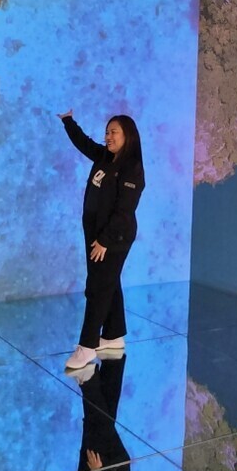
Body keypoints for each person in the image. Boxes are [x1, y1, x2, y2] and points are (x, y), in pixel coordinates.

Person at [58, 110, 145, 371]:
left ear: (128, 136)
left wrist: (105, 240)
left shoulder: (131, 168)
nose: (108, 137)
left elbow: (124, 211)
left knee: (97, 287)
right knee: (108, 282)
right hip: (96, 233)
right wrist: (68, 122)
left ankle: (87, 346)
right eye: (107, 132)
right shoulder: (105, 157)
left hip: (114, 238)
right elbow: (84, 143)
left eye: (114, 132)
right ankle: (113, 335)